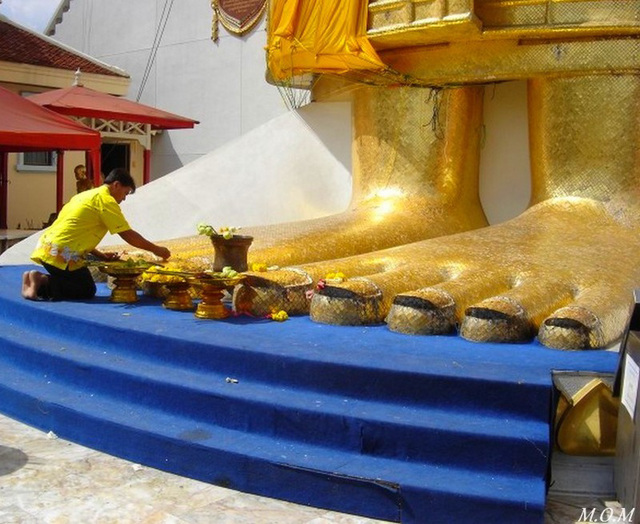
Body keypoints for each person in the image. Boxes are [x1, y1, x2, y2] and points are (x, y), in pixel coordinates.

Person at [22, 168, 171, 301]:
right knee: (85, 289)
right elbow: (127, 234)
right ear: (116, 185)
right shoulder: (106, 201)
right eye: (125, 193)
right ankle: (42, 280)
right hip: (62, 252)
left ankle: (36, 280)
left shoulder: (86, 195)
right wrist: (156, 249)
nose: (124, 198)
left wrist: (100, 255)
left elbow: (74, 231)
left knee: (78, 282)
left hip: (47, 246)